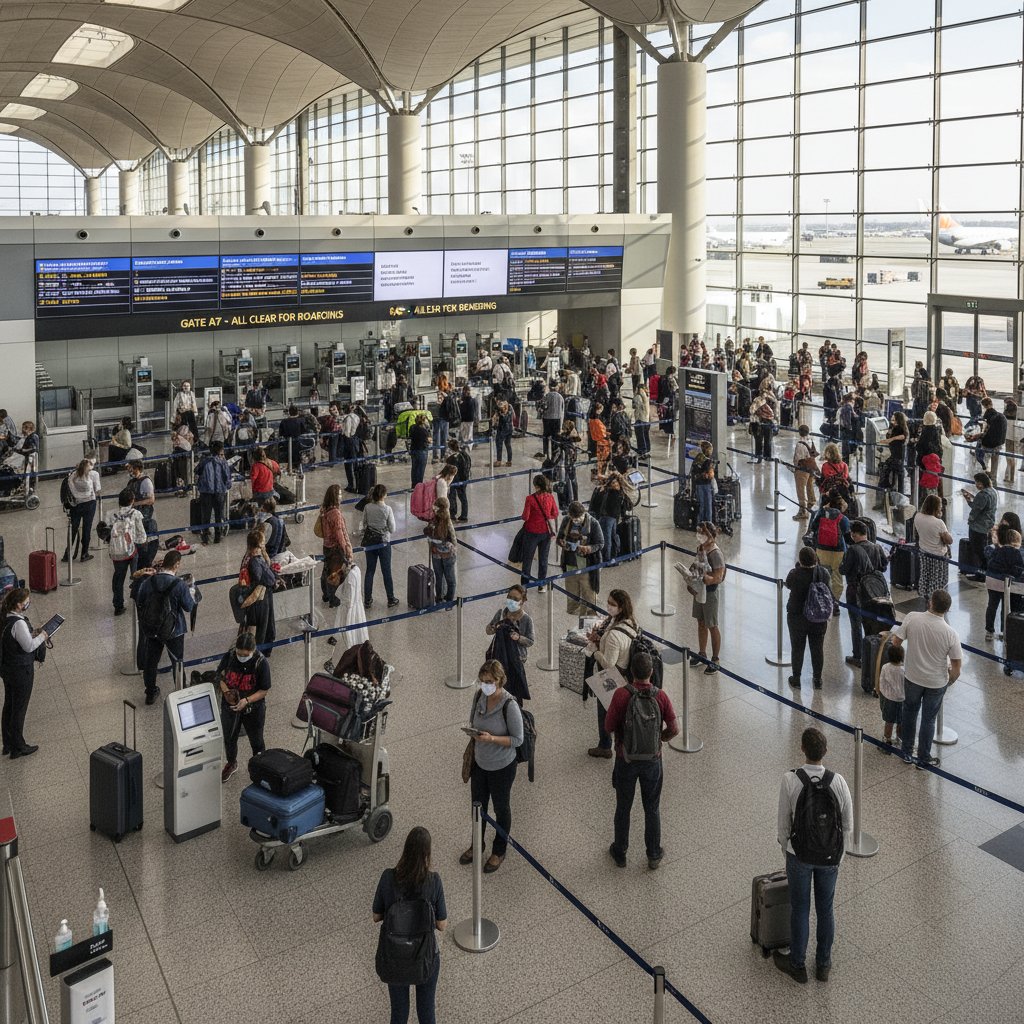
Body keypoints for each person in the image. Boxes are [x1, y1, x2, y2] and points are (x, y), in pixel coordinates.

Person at [773, 727, 853, 985]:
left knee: (800, 909)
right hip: (829, 858)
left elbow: (783, 824)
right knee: (826, 910)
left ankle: (797, 964)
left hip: (799, 855)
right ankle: (823, 964)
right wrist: (838, 856)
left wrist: (787, 849)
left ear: (802, 749)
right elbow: (848, 825)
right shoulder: (838, 781)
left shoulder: (790, 779)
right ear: (825, 751)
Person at [603, 651, 678, 870]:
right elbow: (674, 729)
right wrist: (659, 740)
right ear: (651, 672)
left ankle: (620, 852)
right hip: (652, 761)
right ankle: (653, 854)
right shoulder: (660, 696)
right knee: (652, 807)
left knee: (623, 807)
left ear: (631, 673)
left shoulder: (621, 695)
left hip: (625, 759)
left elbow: (608, 726)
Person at [373, 826, 447, 1024]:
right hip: (426, 956)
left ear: (405, 849)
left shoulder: (388, 877)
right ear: (427, 853)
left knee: (399, 1012)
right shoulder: (434, 881)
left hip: (394, 956)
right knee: (426, 1011)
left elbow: (376, 916)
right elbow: (441, 924)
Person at [460, 660, 523, 874]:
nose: (485, 685)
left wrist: (492, 739)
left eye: (489, 682)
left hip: (502, 767)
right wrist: (472, 731)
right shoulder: (479, 696)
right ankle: (477, 843)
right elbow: (472, 720)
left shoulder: (509, 705)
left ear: (499, 680)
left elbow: (517, 739)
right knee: (478, 806)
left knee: (501, 808)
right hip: (480, 763)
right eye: (482, 681)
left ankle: (499, 850)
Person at [892, 590, 963, 768]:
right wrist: (949, 681)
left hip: (913, 676)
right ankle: (923, 758)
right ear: (947, 609)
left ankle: (907, 752)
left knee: (909, 713)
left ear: (930, 602)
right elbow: (956, 667)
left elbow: (896, 642)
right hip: (936, 682)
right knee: (928, 719)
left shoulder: (912, 617)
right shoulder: (951, 633)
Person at [136, 549, 196, 706]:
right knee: (177, 661)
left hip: (152, 629)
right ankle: (181, 692)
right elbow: (189, 606)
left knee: (151, 661)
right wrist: (191, 590)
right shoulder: (180, 585)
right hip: (174, 630)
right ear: (176, 565)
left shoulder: (149, 582)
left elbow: (140, 601)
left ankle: (150, 693)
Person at [584, 588, 638, 758]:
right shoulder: (631, 622)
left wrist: (595, 651)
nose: (608, 606)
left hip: (612, 677)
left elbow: (608, 664)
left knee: (604, 710)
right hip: (625, 674)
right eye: (608, 602)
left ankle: (605, 745)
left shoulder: (614, 634)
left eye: (612, 604)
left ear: (621, 607)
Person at [0, 587, 48, 758]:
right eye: (27, 601)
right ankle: (18, 747)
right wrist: (43, 636)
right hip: (21, 671)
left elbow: (16, 640)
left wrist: (32, 633)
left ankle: (8, 743)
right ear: (19, 605)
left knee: (9, 705)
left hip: (8, 669)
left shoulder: (5, 617)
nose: (29, 603)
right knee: (19, 708)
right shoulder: (19, 623)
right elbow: (28, 646)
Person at [217, 632, 271, 783]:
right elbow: (220, 677)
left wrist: (247, 700)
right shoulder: (229, 656)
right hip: (230, 707)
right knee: (229, 737)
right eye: (239, 654)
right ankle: (231, 763)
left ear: (253, 650)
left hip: (253, 708)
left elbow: (264, 690)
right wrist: (227, 692)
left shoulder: (261, 662)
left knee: (257, 740)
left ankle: (260, 767)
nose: (241, 657)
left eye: (245, 655)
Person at [675, 522, 725, 674]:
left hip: (710, 593)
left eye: (702, 533)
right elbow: (697, 566)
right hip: (700, 591)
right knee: (701, 622)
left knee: (712, 625)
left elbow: (719, 576)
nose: (699, 536)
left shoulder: (716, 553)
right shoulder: (701, 548)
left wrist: (709, 579)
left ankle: (715, 659)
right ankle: (702, 654)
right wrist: (691, 580)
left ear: (710, 535)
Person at [839, 520, 888, 669]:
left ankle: (858, 656)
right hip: (874, 592)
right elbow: (883, 567)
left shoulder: (852, 550)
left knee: (856, 624)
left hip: (855, 592)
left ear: (853, 534)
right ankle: (871, 653)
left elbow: (843, 570)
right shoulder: (877, 547)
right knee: (871, 623)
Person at [784, 547, 830, 690]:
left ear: (800, 560)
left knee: (797, 648)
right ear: (815, 558)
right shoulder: (823, 573)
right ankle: (817, 679)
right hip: (819, 617)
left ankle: (796, 678)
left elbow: (788, 584)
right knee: (817, 648)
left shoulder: (795, 574)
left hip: (797, 616)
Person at [484, 585, 534, 705]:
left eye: (515, 599)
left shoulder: (526, 619)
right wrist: (493, 628)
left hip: (517, 658)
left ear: (522, 601)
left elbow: (531, 641)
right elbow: (488, 630)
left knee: (514, 685)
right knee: (499, 683)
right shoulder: (501, 613)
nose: (511, 601)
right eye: (509, 597)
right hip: (499, 654)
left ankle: (514, 707)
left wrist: (519, 638)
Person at [556, 500, 604, 615]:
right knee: (572, 594)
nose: (576, 520)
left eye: (579, 518)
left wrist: (588, 548)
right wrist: (562, 542)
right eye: (574, 518)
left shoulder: (593, 523)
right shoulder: (566, 520)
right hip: (570, 563)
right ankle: (577, 613)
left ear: (584, 513)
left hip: (587, 565)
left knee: (589, 595)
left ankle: (589, 615)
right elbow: (559, 538)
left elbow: (600, 543)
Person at [104, 489, 147, 616]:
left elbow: (106, 534)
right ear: (132, 501)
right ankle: (138, 601)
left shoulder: (110, 514)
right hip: (131, 551)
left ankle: (118, 605)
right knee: (136, 576)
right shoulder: (136, 514)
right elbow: (142, 535)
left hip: (116, 552)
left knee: (118, 577)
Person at [360, 484, 400, 611]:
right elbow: (392, 529)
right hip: (384, 543)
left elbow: (364, 524)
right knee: (386, 571)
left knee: (370, 571)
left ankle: (367, 600)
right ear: (384, 495)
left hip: (370, 542)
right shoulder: (387, 509)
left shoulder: (367, 507)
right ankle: (391, 599)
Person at [238, 527, 277, 650]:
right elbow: (265, 578)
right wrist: (272, 579)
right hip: (259, 600)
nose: (265, 544)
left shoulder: (249, 556)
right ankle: (261, 651)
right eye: (263, 542)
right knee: (263, 627)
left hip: (257, 598)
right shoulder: (255, 561)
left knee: (260, 626)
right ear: (258, 545)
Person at [519, 475, 559, 589]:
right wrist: (546, 517)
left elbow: (525, 517)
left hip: (531, 533)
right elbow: (555, 513)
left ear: (536, 486)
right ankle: (541, 585)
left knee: (527, 560)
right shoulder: (550, 497)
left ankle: (524, 586)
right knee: (543, 559)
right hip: (546, 533)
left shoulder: (530, 499)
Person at [984, 529, 1024, 641]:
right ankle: (1003, 630)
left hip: (991, 581)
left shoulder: (998, 550)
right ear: (1016, 542)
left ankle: (989, 631)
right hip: (1004, 583)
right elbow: (1018, 570)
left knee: (992, 606)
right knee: (1005, 607)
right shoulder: (1016, 553)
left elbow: (990, 563)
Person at [914, 493, 952, 605]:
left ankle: (926, 596)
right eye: (940, 506)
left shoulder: (918, 516)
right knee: (937, 579)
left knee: (926, 575)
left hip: (924, 552)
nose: (941, 508)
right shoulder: (938, 523)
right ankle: (935, 600)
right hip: (937, 555)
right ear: (936, 507)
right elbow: (949, 540)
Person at [318, 483, 352, 609]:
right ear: (334, 496)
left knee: (326, 570)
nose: (341, 496)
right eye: (339, 494)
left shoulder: (324, 509)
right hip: (335, 547)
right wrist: (346, 548)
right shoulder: (335, 513)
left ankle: (326, 595)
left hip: (326, 546)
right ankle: (333, 598)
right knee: (336, 573)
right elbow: (339, 533)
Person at [63, 457, 101, 562]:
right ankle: (84, 554)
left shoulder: (73, 475)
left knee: (73, 529)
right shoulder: (94, 474)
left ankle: (67, 554)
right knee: (86, 528)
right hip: (89, 503)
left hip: (75, 505)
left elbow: (70, 488)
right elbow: (97, 490)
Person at [196, 440, 232, 545]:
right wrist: (227, 486)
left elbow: (197, 471)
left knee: (206, 515)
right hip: (219, 492)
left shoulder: (204, 461)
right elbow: (227, 478)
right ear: (220, 450)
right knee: (219, 515)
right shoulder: (223, 462)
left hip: (206, 492)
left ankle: (205, 537)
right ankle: (217, 537)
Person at [963, 471, 997, 582]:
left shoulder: (982, 495)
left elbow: (976, 509)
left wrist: (970, 519)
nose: (976, 485)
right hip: (987, 525)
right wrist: (971, 499)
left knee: (979, 552)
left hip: (978, 527)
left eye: (977, 482)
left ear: (982, 482)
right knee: (984, 550)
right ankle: (985, 573)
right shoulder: (993, 491)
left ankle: (982, 575)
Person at [423, 496, 457, 604]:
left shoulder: (432, 522)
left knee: (439, 577)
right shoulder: (448, 521)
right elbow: (453, 538)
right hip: (448, 555)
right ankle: (449, 601)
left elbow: (427, 535)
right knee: (450, 579)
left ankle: (439, 598)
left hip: (435, 553)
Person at [878, 643, 905, 749]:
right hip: (902, 699)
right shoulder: (904, 670)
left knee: (889, 721)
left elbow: (881, 682)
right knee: (901, 721)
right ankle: (900, 738)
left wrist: (881, 692)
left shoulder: (885, 667)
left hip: (888, 698)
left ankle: (887, 739)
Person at [973, 397, 1007, 479]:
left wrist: (979, 436)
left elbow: (985, 431)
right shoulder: (1001, 416)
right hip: (999, 443)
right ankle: (993, 476)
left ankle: (984, 477)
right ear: (992, 403)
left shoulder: (987, 415)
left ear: (984, 406)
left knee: (985, 460)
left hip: (989, 443)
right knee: (995, 460)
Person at [792, 425, 818, 520]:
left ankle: (803, 511)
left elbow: (798, 459)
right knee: (809, 486)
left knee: (801, 489)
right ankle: (811, 503)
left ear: (799, 432)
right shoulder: (810, 440)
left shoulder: (800, 444)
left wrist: (794, 469)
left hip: (802, 469)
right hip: (811, 468)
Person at [444, 439, 471, 523]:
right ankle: (464, 515)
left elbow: (450, 470)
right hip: (464, 479)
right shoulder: (465, 454)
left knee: (452, 496)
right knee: (463, 497)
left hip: (455, 480)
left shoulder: (452, 458)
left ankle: (452, 515)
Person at [691, 440, 716, 527]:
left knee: (700, 505)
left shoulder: (698, 457)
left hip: (698, 484)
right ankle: (708, 523)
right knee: (708, 505)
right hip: (706, 485)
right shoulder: (708, 461)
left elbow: (694, 471)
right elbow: (710, 475)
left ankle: (700, 523)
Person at [750, 385, 777, 463]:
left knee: (761, 440)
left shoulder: (759, 400)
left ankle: (760, 456)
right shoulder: (770, 399)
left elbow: (751, 410)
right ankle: (766, 457)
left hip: (761, 422)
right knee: (765, 440)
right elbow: (775, 412)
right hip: (766, 422)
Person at [538, 381, 565, 458]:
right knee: (555, 438)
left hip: (547, 419)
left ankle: (546, 454)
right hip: (557, 419)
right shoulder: (560, 397)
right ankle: (554, 454)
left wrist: (541, 413)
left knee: (546, 436)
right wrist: (561, 425)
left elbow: (542, 407)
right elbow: (562, 411)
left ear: (549, 387)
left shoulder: (546, 396)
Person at [409, 413, 431, 486]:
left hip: (413, 449)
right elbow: (429, 440)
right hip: (422, 451)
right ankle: (418, 486)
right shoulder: (424, 430)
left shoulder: (412, 428)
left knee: (414, 469)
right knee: (420, 470)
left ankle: (413, 485)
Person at [491, 399, 513, 467]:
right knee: (508, 445)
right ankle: (509, 461)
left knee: (499, 444)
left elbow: (504, 419)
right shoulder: (510, 408)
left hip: (503, 429)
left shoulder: (504, 410)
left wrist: (500, 414)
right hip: (509, 428)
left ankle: (499, 461)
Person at [632, 379, 651, 457]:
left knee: (640, 437)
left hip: (640, 419)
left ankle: (642, 451)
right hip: (647, 419)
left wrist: (634, 397)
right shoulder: (646, 396)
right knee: (646, 436)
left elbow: (634, 406)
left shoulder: (638, 397)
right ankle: (647, 449)